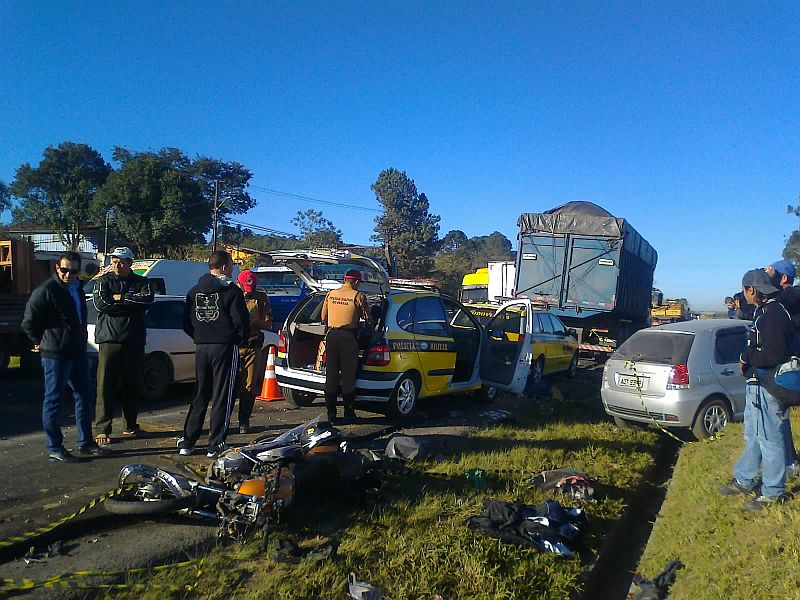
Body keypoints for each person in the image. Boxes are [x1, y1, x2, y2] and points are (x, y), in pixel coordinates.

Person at [718, 269, 793, 510]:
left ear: (752, 290)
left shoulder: (772, 314)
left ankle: (772, 492)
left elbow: (774, 354)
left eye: (745, 291)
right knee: (754, 436)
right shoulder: (765, 310)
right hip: (758, 384)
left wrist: (745, 356)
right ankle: (745, 479)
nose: (744, 296)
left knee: (771, 439)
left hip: (768, 385)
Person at [21, 252, 106, 461]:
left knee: (85, 396)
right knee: (54, 400)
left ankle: (85, 442)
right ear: (57, 268)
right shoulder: (46, 291)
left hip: (77, 351)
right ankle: (55, 446)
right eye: (64, 269)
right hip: (55, 354)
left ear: (78, 271)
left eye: (73, 271)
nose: (68, 274)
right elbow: (28, 322)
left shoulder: (77, 288)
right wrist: (38, 341)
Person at [179, 250, 249, 458]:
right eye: (231, 264)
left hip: (201, 347)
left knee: (200, 393)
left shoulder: (194, 291)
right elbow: (241, 322)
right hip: (224, 347)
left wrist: (200, 336)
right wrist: (239, 339)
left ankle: (188, 441)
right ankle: (216, 443)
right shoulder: (232, 291)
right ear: (225, 266)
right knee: (223, 395)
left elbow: (186, 322)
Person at [92, 247, 154, 445]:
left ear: (130, 263)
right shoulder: (103, 281)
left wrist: (120, 298)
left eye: (121, 261)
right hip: (109, 340)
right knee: (105, 386)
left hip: (134, 340)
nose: (117, 265)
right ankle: (102, 429)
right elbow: (102, 304)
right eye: (114, 261)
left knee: (132, 385)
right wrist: (129, 302)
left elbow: (147, 300)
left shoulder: (142, 282)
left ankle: (130, 426)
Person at [320, 269, 374, 422]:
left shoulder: (330, 294)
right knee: (348, 376)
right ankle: (349, 413)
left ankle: (331, 413)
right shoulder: (358, 296)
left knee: (331, 375)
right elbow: (368, 319)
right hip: (348, 337)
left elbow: (323, 317)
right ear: (356, 282)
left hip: (331, 336)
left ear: (344, 280)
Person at [764, 259, 800, 478]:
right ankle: (789, 461)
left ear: (784, 278)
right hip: (786, 365)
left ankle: (788, 465)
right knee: (781, 417)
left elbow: (787, 297)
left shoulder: (792, 296)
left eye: (773, 273)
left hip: (790, 366)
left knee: (779, 417)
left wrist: (769, 280)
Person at [235, 269, 273, 434]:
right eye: (245, 287)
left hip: (252, 346)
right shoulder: (232, 296)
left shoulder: (261, 298)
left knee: (249, 387)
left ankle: (244, 421)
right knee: (229, 386)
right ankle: (221, 422)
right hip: (234, 346)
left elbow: (269, 323)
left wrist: (256, 322)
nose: (247, 291)